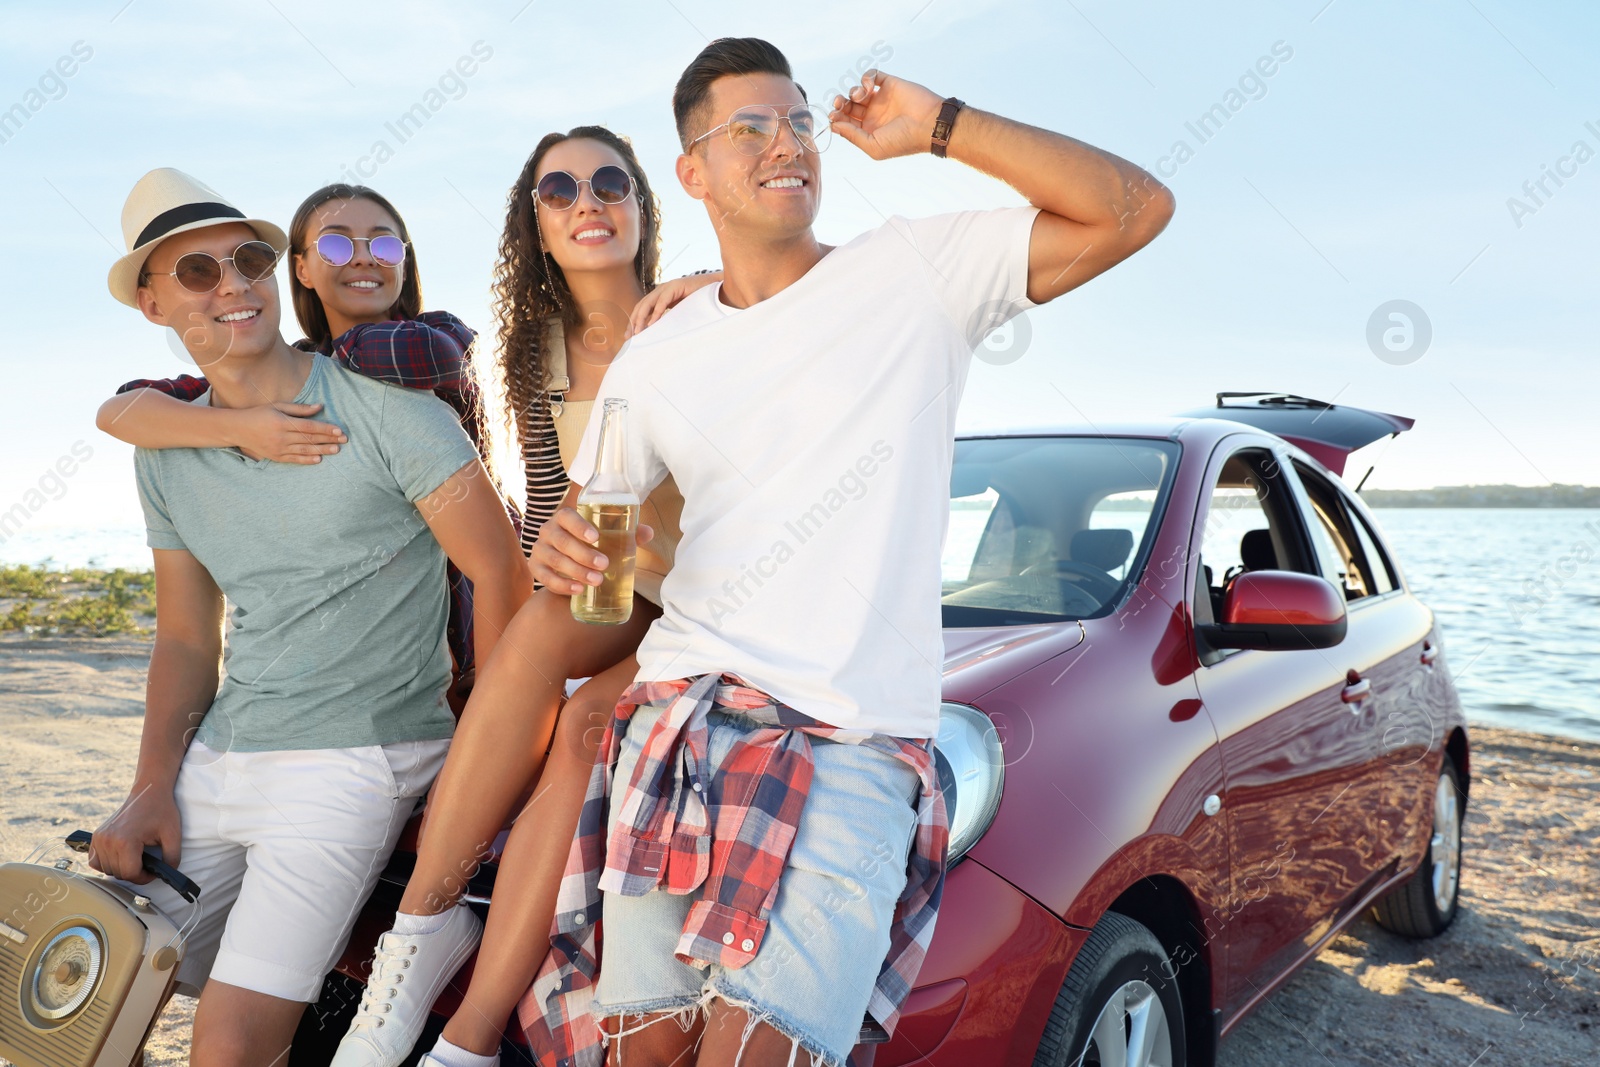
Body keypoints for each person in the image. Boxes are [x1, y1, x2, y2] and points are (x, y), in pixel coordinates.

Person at [522, 38, 1176, 1067]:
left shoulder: (915, 273)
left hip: (849, 746)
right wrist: (570, 557)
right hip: (678, 726)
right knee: (644, 1052)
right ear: (691, 172)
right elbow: (601, 592)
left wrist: (939, 127)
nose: (785, 142)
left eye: (796, 121)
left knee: (759, 1053)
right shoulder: (655, 355)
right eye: (749, 128)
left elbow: (1132, 208)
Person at [88, 167, 531, 1067]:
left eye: (246, 260)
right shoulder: (164, 449)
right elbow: (182, 637)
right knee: (88, 993)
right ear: (150, 301)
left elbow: (500, 576)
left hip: (356, 757)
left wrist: (480, 758)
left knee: (229, 1045)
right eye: (196, 273)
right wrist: (149, 785)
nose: (233, 286)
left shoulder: (394, 413)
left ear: (274, 274)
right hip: (223, 750)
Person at [329, 129, 717, 1067]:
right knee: (546, 628)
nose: (588, 200)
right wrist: (554, 548)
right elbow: (556, 520)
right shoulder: (533, 351)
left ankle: (467, 1035)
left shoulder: (707, 309)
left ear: (640, 208)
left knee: (587, 723)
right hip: (629, 586)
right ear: (537, 226)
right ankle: (418, 936)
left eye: (610, 181)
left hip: (718, 591)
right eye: (560, 189)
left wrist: (710, 288)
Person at [96, 182, 505, 701]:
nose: (363, 258)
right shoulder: (301, 371)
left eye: (384, 245)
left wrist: (313, 368)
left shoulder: (433, 336)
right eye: (336, 245)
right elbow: (124, 407)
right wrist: (239, 426)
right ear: (301, 270)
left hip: (471, 609)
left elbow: (429, 356)